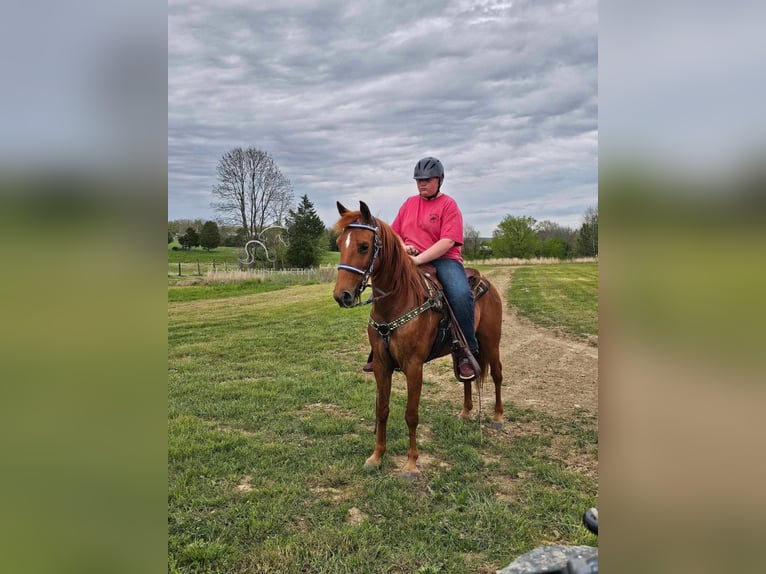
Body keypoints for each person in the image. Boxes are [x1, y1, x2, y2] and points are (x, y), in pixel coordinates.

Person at [363, 156, 478, 381]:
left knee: (461, 294)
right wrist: (404, 247)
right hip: (411, 259)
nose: (422, 183)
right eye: (419, 180)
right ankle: (377, 349)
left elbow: (448, 241)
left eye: (428, 179)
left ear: (440, 180)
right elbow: (393, 233)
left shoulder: (448, 205)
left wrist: (419, 259)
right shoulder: (409, 204)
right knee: (385, 290)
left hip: (444, 260)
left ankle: (466, 351)